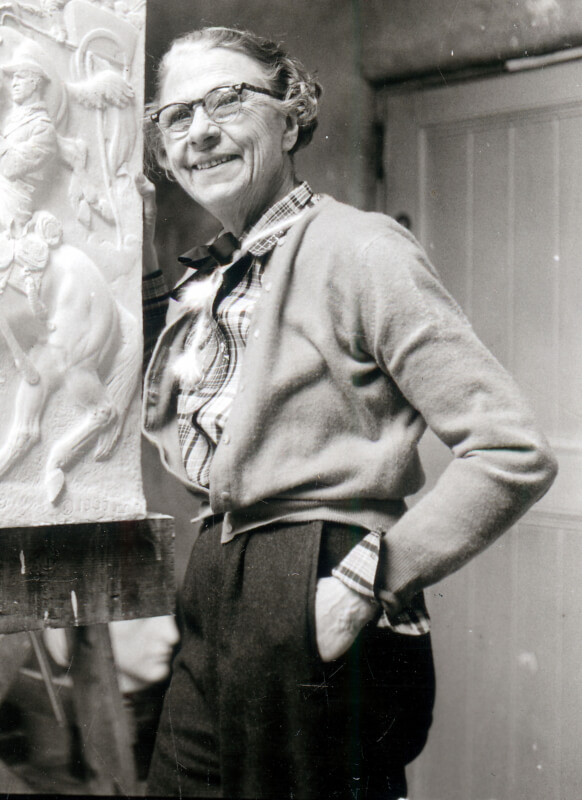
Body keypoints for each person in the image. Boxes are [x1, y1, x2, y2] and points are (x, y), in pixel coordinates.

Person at [140, 26, 557, 800]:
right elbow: (194, 406)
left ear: (290, 116)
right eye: (177, 116)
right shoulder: (220, 275)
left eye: (227, 100)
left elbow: (511, 452)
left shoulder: (363, 249)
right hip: (217, 580)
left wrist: (362, 584)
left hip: (315, 576)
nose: (200, 131)